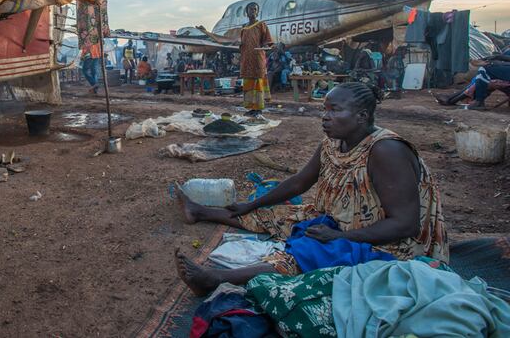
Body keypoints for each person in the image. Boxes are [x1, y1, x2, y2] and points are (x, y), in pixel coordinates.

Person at [174, 82, 447, 296]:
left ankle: (215, 279)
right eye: (324, 110)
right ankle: (199, 212)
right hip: (339, 222)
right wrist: (251, 204)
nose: (325, 118)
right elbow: (299, 182)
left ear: (362, 116)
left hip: (394, 245)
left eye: (334, 111)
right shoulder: (333, 143)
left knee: (311, 251)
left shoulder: (387, 151)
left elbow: (406, 225)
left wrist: (341, 237)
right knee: (277, 217)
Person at [198, 2, 273, 116]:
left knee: (257, 84)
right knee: (248, 84)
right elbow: (230, 40)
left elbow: (267, 40)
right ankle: (251, 108)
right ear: (246, 12)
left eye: (255, 9)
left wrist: (267, 46)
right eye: (251, 9)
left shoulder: (261, 25)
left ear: (257, 12)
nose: (253, 11)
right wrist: (207, 32)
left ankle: (258, 109)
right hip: (246, 59)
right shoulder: (243, 27)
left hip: (257, 59)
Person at [76, 0, 110, 95]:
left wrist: (84, 54)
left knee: (85, 70)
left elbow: (87, 44)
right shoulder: (98, 31)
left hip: (90, 54)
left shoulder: (88, 32)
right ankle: (94, 89)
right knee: (94, 71)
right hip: (97, 54)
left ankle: (94, 84)